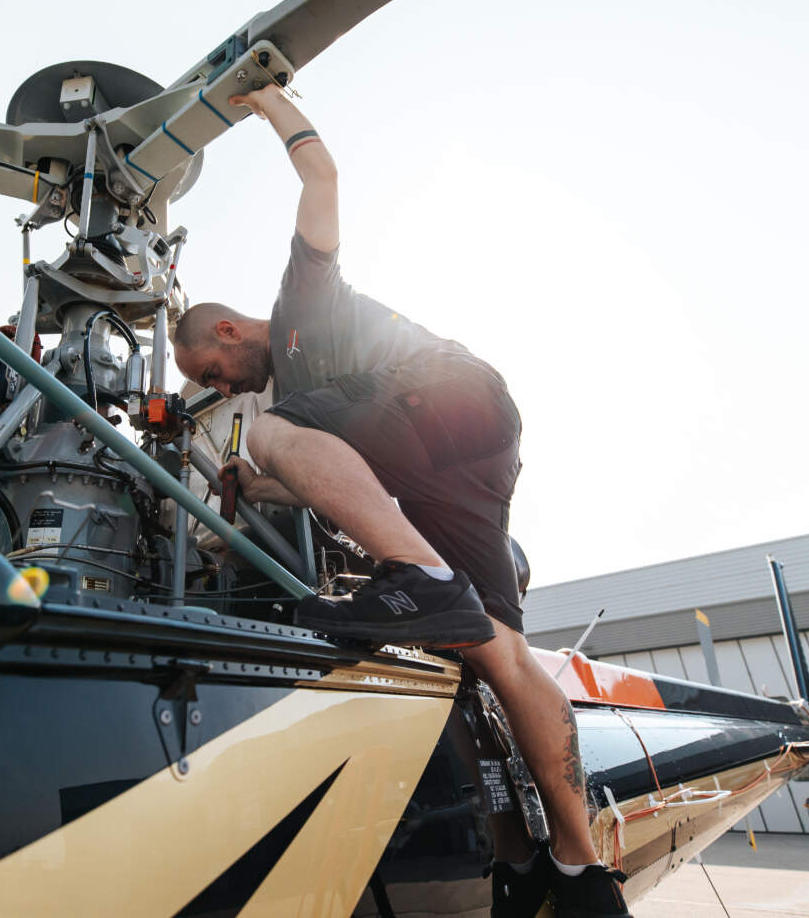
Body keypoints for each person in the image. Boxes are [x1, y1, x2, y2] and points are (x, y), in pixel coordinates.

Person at [171, 83, 631, 917]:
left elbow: (323, 179)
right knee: (499, 653)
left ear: (229, 333)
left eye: (209, 373)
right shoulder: (324, 418)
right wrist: (245, 488)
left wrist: (269, 103)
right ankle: (574, 869)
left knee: (270, 433)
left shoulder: (299, 310)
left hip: (442, 394)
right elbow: (328, 470)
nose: (216, 386)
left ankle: (418, 577)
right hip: (468, 455)